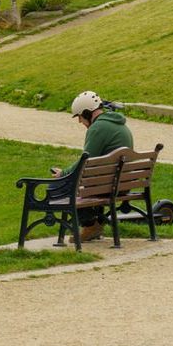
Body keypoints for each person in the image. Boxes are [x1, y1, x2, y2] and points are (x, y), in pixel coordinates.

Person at [50, 90, 134, 240]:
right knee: (81, 182)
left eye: (80, 117)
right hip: (122, 184)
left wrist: (62, 174)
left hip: (106, 186)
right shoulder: (120, 124)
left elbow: (85, 162)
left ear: (88, 113)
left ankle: (90, 225)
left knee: (57, 186)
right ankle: (96, 222)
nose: (79, 121)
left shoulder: (98, 128)